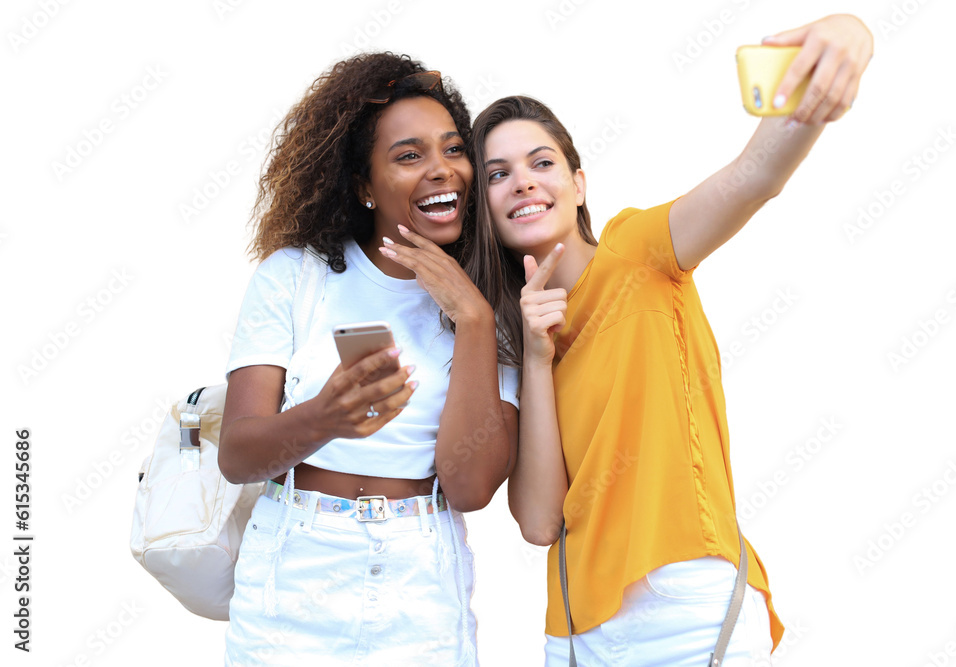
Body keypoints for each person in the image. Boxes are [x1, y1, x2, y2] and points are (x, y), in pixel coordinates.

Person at [459, 14, 873, 666]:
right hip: (576, 634)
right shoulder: (517, 342)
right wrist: (537, 360)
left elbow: (754, 176)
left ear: (578, 182)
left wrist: (849, 34)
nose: (524, 182)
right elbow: (540, 523)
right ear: (485, 205)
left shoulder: (639, 251)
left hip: (687, 611)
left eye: (542, 162)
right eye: (497, 173)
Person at [218, 52, 519, 666]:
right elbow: (238, 456)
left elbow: (470, 487)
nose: (442, 171)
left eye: (454, 149)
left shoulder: (494, 299)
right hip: (293, 573)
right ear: (362, 185)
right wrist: (325, 417)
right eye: (410, 156)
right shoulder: (294, 278)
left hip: (419, 581)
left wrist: (476, 321)